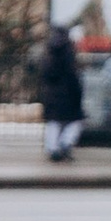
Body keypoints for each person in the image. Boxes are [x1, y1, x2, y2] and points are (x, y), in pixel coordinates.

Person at [39, 21, 85, 162]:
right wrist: (78, 92)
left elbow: (44, 73)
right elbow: (72, 75)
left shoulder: (49, 51)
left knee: (54, 122)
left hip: (51, 94)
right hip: (68, 94)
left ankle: (52, 148)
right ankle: (65, 143)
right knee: (76, 121)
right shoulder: (69, 52)